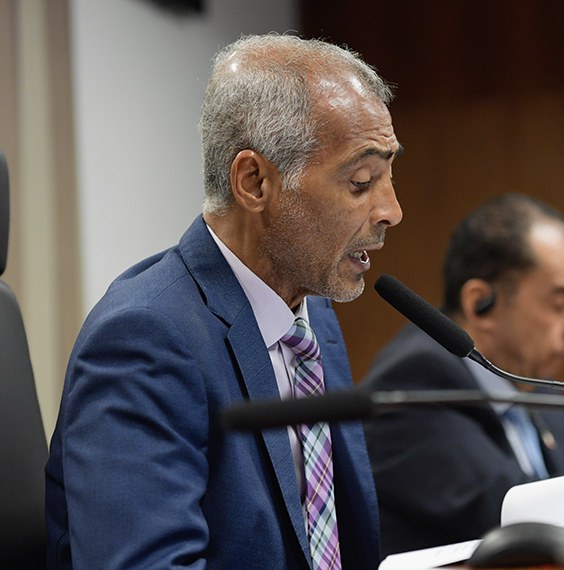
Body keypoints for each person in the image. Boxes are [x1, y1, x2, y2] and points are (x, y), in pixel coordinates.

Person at [45, 34, 402, 569]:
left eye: (389, 177)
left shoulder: (312, 317)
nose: (391, 211)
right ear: (254, 181)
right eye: (360, 181)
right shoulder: (145, 340)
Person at [361, 193, 564, 556]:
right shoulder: (417, 382)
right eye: (560, 303)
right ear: (481, 304)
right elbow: (521, 513)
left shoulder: (524, 379)